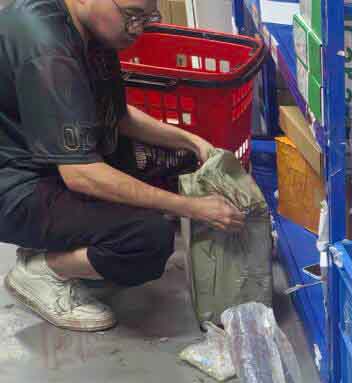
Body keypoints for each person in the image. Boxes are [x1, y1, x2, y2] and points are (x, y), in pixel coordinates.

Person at [0, 0, 245, 332]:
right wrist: (190, 207)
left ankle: (72, 243)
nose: (137, 29)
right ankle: (44, 269)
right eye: (131, 16)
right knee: (147, 239)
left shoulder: (94, 31)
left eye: (146, 17)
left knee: (177, 159)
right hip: (15, 185)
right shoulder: (47, 48)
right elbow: (81, 174)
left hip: (45, 158)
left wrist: (189, 141)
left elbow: (117, 115)